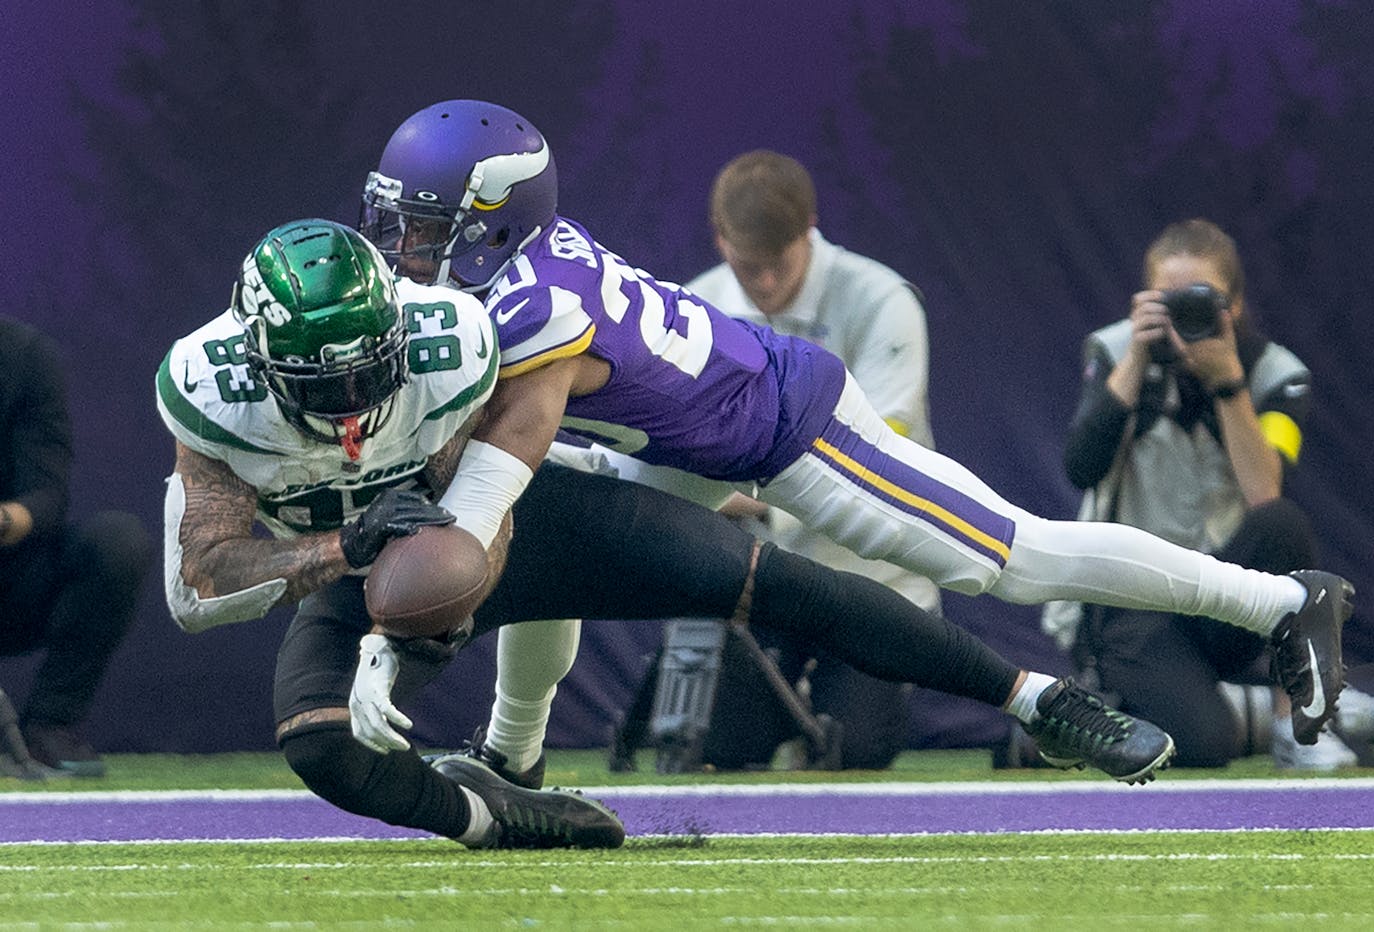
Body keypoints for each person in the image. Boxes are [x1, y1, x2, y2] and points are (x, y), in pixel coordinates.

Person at [356, 99, 1353, 767]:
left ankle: (1278, 601)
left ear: (494, 223)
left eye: (425, 228)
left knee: (1009, 557)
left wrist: (387, 633)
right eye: (394, 222)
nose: (403, 249)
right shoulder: (501, 277)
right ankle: (512, 757)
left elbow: (487, 485)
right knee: (556, 546)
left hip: (781, 425)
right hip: (681, 438)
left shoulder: (528, 307)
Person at [156, 221, 1178, 855]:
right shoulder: (211, 397)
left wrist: (412, 619)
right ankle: (498, 815)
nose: (351, 404)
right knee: (318, 747)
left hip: (497, 517)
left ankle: (1037, 697)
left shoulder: (448, 340)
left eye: (365, 368)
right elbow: (203, 584)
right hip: (360, 561)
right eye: (318, 386)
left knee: (767, 579)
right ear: (254, 362)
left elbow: (484, 503)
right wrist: (344, 557)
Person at [1042, 218, 1374, 769]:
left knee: (1284, 524)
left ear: (1238, 303)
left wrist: (1228, 384)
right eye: (1169, 301)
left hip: (1225, 598)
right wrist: (1137, 360)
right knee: (1203, 748)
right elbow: (1080, 468)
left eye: (1203, 301)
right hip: (1134, 602)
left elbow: (1264, 492)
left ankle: (1289, 723)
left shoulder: (1277, 374)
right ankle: (1219, 710)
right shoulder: (1112, 352)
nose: (1185, 318)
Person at [675, 149, 938, 769]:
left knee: (859, 752)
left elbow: (874, 449)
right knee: (716, 750)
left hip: (875, 577)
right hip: (758, 585)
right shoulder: (690, 309)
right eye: (748, 267)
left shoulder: (882, 300)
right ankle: (771, 716)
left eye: (779, 265)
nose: (765, 283)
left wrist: (735, 490)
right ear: (720, 240)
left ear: (810, 231)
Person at [0, 316, 151, 777]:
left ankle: (50, 725)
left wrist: (3, 520)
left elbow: (46, 496)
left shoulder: (22, 355)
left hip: (12, 575)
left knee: (117, 543)